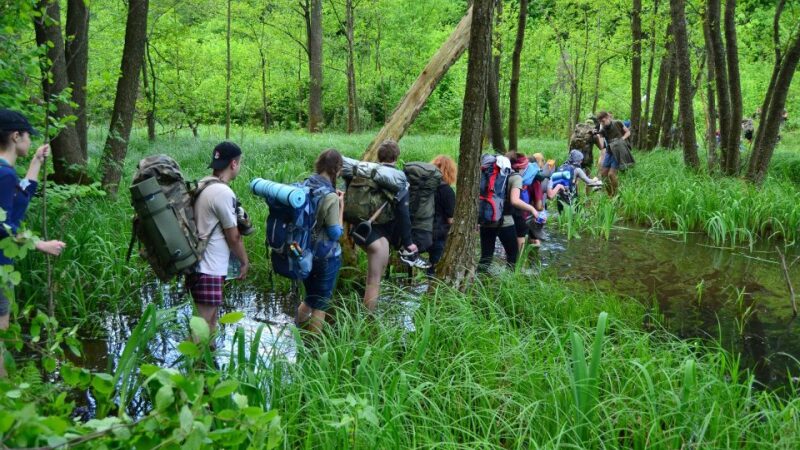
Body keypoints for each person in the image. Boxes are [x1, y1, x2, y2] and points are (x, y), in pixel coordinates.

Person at [0, 109, 66, 377]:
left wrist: (37, 161)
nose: (29, 141)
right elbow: (2, 228)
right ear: (16, 136)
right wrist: (42, 245)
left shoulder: (6, 174)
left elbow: (18, 201)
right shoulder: (4, 176)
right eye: (28, 136)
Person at [187, 141, 250, 337]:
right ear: (233, 163)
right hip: (208, 268)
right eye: (239, 163)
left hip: (201, 266)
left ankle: (207, 365)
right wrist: (244, 261)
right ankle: (192, 367)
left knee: (210, 323)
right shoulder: (222, 192)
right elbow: (234, 237)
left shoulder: (205, 184)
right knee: (202, 327)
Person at [358, 140, 420, 312]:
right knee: (373, 281)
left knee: (371, 278)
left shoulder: (367, 172)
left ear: (379, 156)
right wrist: (408, 243)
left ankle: (363, 318)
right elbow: (403, 213)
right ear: (396, 157)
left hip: (359, 230)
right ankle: (368, 325)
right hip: (378, 236)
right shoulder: (398, 179)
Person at [296, 149, 344, 333]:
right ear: (336, 169)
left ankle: (298, 333)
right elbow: (335, 233)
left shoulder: (306, 184)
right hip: (326, 256)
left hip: (304, 252)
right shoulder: (331, 196)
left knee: (309, 297)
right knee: (321, 303)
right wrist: (341, 206)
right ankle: (314, 350)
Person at [479, 153, 539, 273]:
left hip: (486, 219)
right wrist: (532, 209)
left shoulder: (490, 174)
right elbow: (515, 200)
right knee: (513, 255)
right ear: (521, 167)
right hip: (505, 221)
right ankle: (510, 282)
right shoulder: (515, 177)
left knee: (486, 256)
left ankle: (480, 282)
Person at [427, 155, 456, 276]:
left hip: (423, 231)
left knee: (431, 265)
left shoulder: (426, 187)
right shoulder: (447, 191)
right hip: (439, 235)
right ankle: (432, 292)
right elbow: (450, 220)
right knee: (437, 269)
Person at [597, 111, 632, 197]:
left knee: (611, 174)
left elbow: (628, 132)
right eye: (601, 122)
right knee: (603, 174)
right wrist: (597, 136)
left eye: (603, 121)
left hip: (619, 150)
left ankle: (616, 195)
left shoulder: (617, 123)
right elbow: (602, 146)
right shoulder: (602, 130)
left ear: (608, 117)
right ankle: (610, 195)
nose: (603, 123)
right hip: (609, 151)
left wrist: (621, 139)